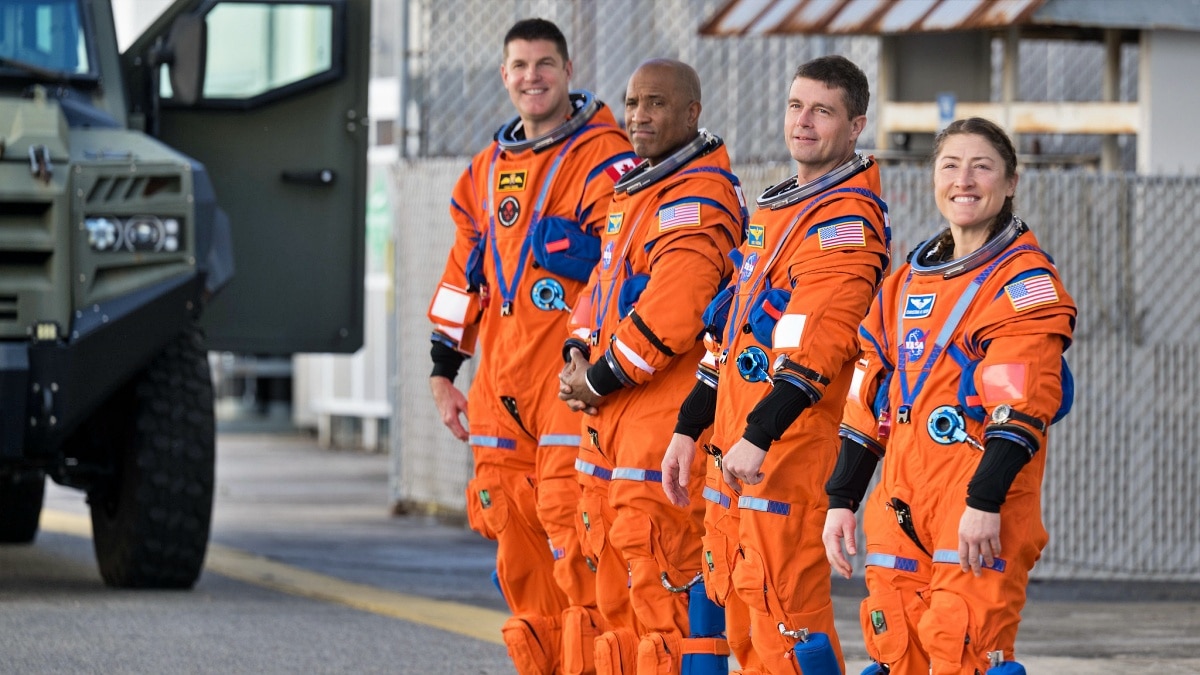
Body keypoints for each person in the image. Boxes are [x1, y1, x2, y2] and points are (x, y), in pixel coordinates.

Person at [660, 54, 891, 674]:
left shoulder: (846, 223)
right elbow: (730, 341)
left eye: (823, 110)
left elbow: (816, 353)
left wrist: (760, 436)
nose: (804, 122)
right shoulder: (775, 212)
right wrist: (688, 429)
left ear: (855, 125)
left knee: (789, 633)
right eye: (796, 106)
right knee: (744, 629)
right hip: (734, 454)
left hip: (785, 458)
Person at [821, 117, 1076, 675]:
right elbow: (871, 395)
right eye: (950, 165)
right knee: (897, 653)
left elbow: (1020, 407)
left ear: (1010, 182)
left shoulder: (1023, 285)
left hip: (978, 506)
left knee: (963, 653)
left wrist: (984, 504)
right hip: (899, 500)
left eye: (982, 166)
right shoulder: (906, 280)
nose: (964, 180)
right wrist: (842, 497)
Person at [426, 18, 637, 675]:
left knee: (578, 545)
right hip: (498, 386)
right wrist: (442, 369)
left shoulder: (611, 160)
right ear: (503, 75)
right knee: (516, 553)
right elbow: (462, 274)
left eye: (545, 64)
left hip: (572, 382)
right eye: (519, 66)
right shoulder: (484, 172)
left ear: (568, 71)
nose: (532, 77)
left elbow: (628, 264)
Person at [556, 59, 747, 675]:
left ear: (692, 113)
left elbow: (673, 316)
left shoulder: (697, 199)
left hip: (660, 425)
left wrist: (597, 379)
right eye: (632, 102)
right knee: (618, 603)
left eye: (656, 104)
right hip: (614, 422)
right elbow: (600, 289)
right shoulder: (639, 190)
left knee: (664, 597)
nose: (639, 115)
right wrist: (577, 350)